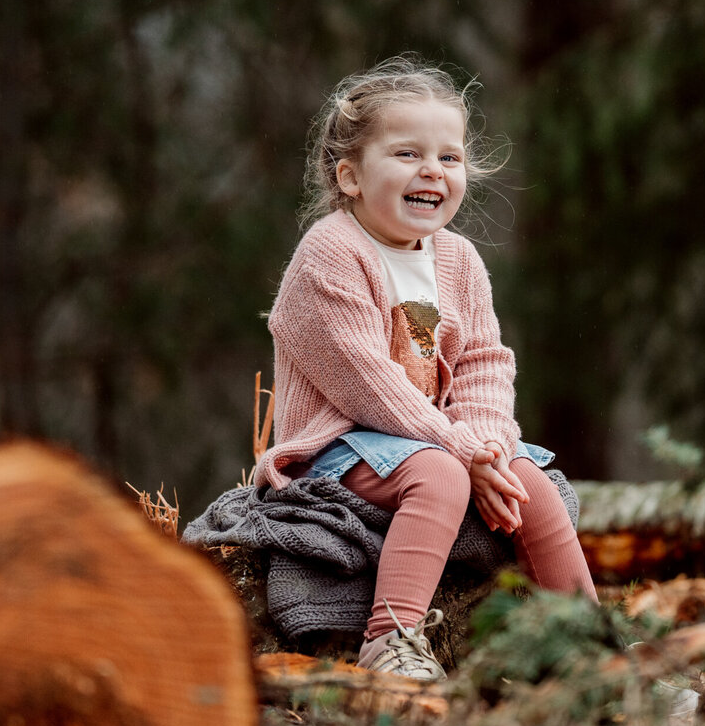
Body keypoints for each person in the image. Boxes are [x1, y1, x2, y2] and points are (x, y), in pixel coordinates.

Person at [254, 54, 598, 681]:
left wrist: (490, 447)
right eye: (408, 154)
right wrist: (461, 452)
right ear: (351, 177)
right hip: (338, 445)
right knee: (440, 477)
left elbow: (484, 364)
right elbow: (369, 384)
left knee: (533, 485)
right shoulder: (329, 256)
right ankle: (391, 643)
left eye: (450, 157)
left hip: (436, 438)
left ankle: (592, 648)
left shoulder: (459, 259)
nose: (433, 171)